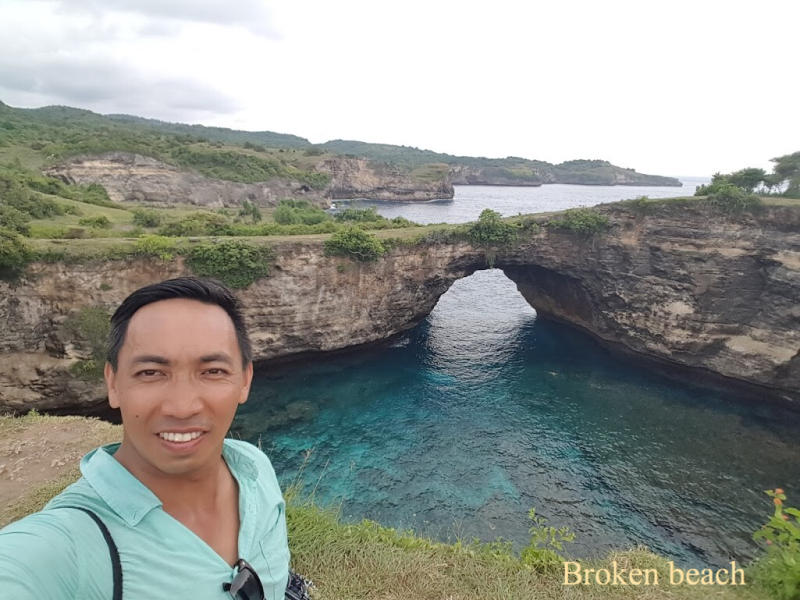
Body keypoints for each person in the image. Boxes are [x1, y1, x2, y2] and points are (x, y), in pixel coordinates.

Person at [0, 277, 290, 599]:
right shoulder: (70, 544)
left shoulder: (255, 467)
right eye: (151, 373)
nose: (182, 408)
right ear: (112, 383)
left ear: (245, 380)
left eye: (213, 371)